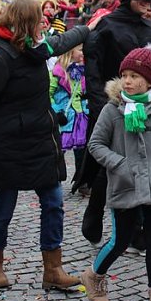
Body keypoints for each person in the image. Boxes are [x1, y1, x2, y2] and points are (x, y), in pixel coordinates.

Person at [0, 0, 91, 290]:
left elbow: (61, 41)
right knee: (3, 207)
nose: (42, 26)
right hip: (7, 144)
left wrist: (89, 27)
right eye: (38, 21)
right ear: (25, 23)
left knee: (53, 203)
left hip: (40, 140)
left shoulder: (36, 50)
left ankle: (53, 269)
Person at [81, 44, 151, 301]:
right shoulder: (113, 110)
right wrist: (120, 164)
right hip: (124, 184)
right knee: (120, 239)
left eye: (134, 75)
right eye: (124, 74)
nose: (127, 80)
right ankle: (94, 274)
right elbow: (96, 144)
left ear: (150, 80)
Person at [77, 0, 151, 248]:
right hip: (113, 106)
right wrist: (96, 104)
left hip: (146, 107)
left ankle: (136, 229)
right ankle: (94, 214)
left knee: (142, 162)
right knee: (113, 164)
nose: (146, 5)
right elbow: (93, 69)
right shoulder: (107, 26)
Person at [50, 44, 89, 193]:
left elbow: (83, 92)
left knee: (82, 150)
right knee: (59, 149)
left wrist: (86, 103)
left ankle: (82, 181)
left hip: (80, 116)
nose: (83, 53)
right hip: (64, 117)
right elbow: (48, 94)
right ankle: (54, 178)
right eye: (80, 50)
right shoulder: (57, 72)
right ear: (69, 52)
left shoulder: (83, 70)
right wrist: (56, 112)